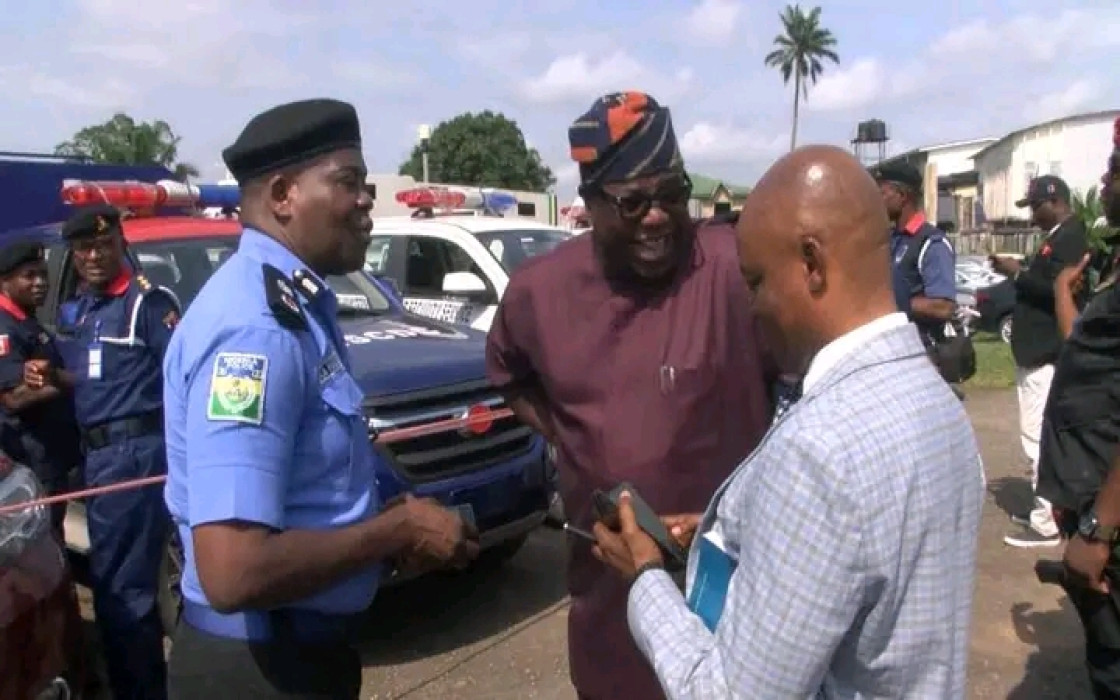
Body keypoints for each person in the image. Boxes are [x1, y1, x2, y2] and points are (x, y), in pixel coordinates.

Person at [592, 145, 984, 698]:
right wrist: (748, 523)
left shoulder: (819, 449)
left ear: (812, 263)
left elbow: (728, 694)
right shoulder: (941, 407)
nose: (752, 308)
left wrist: (645, 580)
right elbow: (867, 545)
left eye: (755, 283)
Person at [163, 98, 479, 699]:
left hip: (300, 656)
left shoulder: (300, 306)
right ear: (283, 195)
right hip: (257, 668)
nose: (367, 201)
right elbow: (233, 570)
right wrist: (395, 532)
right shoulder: (257, 330)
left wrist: (385, 524)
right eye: (349, 183)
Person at [485, 91, 777, 700]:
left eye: (672, 196)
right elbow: (510, 375)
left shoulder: (733, 268)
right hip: (610, 614)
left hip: (736, 612)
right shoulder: (541, 293)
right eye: (633, 202)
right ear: (590, 205)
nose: (657, 217)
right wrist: (577, 437)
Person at [45, 205, 182, 700]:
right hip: (97, 456)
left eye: (104, 245)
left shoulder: (146, 304)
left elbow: (181, 376)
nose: (95, 256)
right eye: (85, 249)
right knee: (115, 587)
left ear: (120, 243)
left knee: (124, 590)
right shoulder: (81, 309)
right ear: (74, 256)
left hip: (134, 454)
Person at [1036, 117, 1120, 698]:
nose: (1105, 180)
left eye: (1114, 169)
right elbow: (1083, 358)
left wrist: (1098, 530)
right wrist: (1066, 296)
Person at [993, 174, 1088, 548]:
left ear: (1055, 200)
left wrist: (1018, 273)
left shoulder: (1071, 236)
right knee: (1035, 433)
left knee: (1038, 436)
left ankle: (1046, 520)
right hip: (1035, 353)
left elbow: (1056, 289)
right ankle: (1044, 507)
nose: (1032, 215)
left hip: (1046, 354)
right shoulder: (1056, 237)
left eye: (1035, 206)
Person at [0, 240, 81, 535]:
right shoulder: (4, 328)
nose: (40, 284)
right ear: (5, 281)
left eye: (43, 275)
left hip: (52, 455)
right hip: (30, 459)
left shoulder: (26, 320)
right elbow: (13, 397)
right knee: (41, 539)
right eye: (29, 276)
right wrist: (80, 383)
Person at [874, 161, 956, 338]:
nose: (876, 201)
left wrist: (892, 303)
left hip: (924, 350)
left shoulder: (932, 243)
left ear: (902, 195)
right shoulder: (892, 239)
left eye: (882, 193)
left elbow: (944, 307)